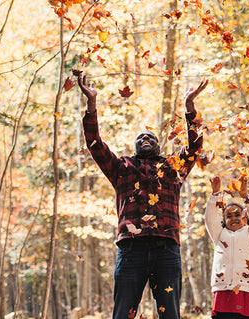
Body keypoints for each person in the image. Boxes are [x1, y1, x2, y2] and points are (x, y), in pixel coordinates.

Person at [76, 72, 208, 319]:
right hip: (131, 250)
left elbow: (195, 146)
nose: (145, 139)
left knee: (170, 314)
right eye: (141, 138)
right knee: (122, 314)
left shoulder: (172, 166)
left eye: (150, 137)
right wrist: (91, 104)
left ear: (158, 145)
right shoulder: (121, 167)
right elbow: (94, 142)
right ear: (134, 146)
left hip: (166, 248)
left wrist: (190, 107)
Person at [205, 175, 249, 319]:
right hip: (223, 288)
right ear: (224, 220)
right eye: (229, 216)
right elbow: (210, 218)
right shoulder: (219, 234)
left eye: (237, 214)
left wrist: (246, 198)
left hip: (245, 287)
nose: (233, 218)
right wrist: (215, 196)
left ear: (245, 217)